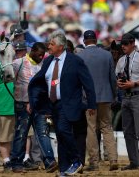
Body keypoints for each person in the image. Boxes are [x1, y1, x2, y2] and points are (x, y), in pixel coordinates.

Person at [28, 30, 96, 176]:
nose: (48, 46)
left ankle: (76, 161)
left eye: (52, 44)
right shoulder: (47, 61)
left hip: (69, 103)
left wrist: (91, 104)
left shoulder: (75, 60)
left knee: (63, 130)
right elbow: (41, 82)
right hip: (53, 105)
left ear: (61, 46)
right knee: (60, 134)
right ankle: (64, 169)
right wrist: (38, 101)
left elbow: (88, 83)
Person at [10, 42, 58, 173]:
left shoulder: (44, 64)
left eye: (43, 55)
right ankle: (16, 163)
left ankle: (49, 161)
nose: (41, 57)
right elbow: (7, 78)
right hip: (22, 104)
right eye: (39, 54)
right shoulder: (18, 63)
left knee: (43, 133)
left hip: (40, 105)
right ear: (32, 51)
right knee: (21, 133)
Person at [77, 30, 118, 171]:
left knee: (91, 129)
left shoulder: (80, 56)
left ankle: (94, 161)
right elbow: (113, 78)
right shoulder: (107, 55)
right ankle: (113, 159)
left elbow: (78, 79)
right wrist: (114, 95)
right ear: (95, 39)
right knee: (107, 127)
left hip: (88, 98)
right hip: (105, 96)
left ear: (84, 41)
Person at [115, 33, 139, 170]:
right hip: (126, 96)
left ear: (132, 43)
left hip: (138, 95)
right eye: (122, 44)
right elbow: (117, 76)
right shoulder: (121, 60)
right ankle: (135, 161)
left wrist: (134, 84)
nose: (122, 46)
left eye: (125, 43)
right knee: (128, 131)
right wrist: (119, 82)